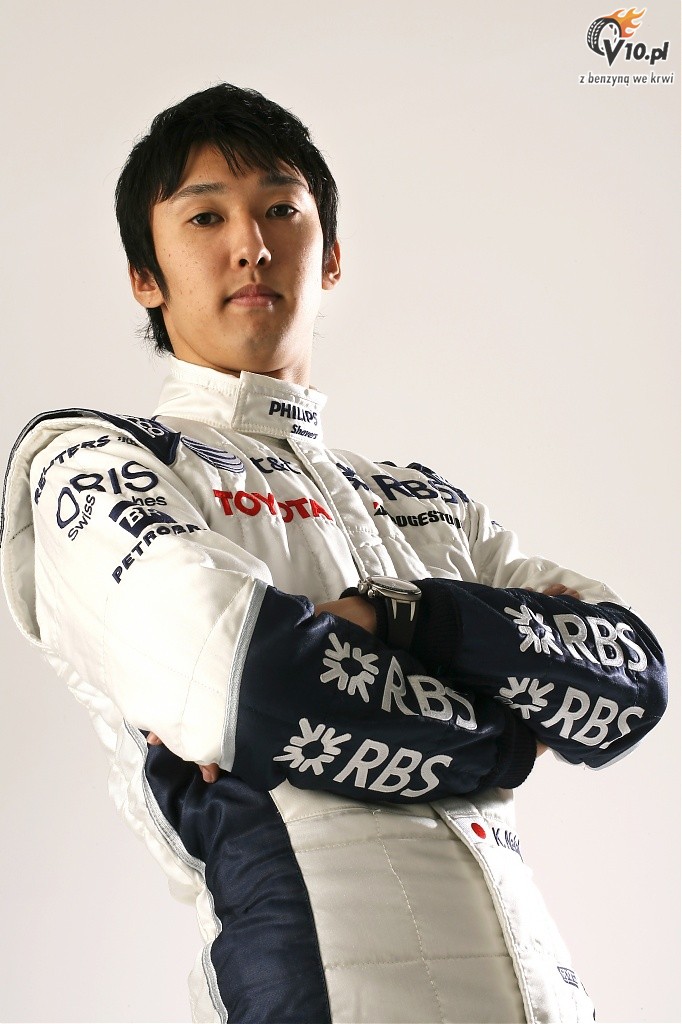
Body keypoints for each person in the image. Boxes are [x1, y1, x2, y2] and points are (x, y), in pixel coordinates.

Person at [0, 84, 667, 1024]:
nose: (252, 244)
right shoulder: (94, 458)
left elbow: (630, 683)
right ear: (145, 276)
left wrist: (405, 619)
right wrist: (509, 737)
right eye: (206, 217)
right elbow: (251, 683)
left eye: (281, 209)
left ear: (334, 254)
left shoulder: (427, 499)